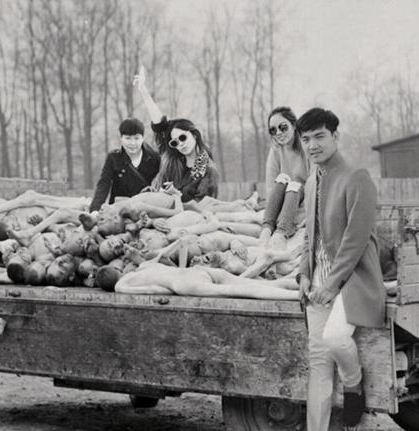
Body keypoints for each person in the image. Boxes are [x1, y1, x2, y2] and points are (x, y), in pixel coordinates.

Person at [295, 108, 384, 430]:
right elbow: (309, 237)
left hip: (354, 282)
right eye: (305, 139)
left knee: (334, 338)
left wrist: (330, 285)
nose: (312, 145)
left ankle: (352, 383)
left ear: (335, 136)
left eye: (319, 136)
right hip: (317, 281)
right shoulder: (310, 181)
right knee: (318, 363)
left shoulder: (356, 176)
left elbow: (355, 241)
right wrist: (304, 275)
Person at [134, 66, 219, 202]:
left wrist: (175, 195)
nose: (180, 144)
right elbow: (159, 125)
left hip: (186, 219)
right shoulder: (174, 160)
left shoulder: (207, 170)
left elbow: (202, 206)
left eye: (183, 138)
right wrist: (144, 91)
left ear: (194, 135)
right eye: (175, 142)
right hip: (157, 208)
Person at [99, 259, 298, 300]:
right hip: (192, 271)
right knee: (250, 283)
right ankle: (292, 283)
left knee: (243, 292)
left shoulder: (122, 285)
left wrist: (166, 291)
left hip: (184, 284)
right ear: (118, 269)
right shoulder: (141, 267)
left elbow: (152, 290)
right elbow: (161, 260)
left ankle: (297, 296)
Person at [260, 106, 309, 249]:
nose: (279, 133)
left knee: (294, 185)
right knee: (282, 178)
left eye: (283, 127)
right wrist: (274, 215)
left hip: (302, 202)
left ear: (294, 125)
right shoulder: (275, 150)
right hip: (281, 203)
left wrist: (305, 216)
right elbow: (271, 187)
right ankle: (267, 228)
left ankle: (281, 232)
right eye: (273, 130)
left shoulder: (306, 147)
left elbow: (315, 186)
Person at [89, 118, 160, 212]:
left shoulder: (155, 158)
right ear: (121, 138)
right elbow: (104, 184)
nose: (132, 143)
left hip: (145, 209)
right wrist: (95, 210)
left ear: (143, 138)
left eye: (136, 138)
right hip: (118, 210)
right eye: (128, 138)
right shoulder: (114, 158)